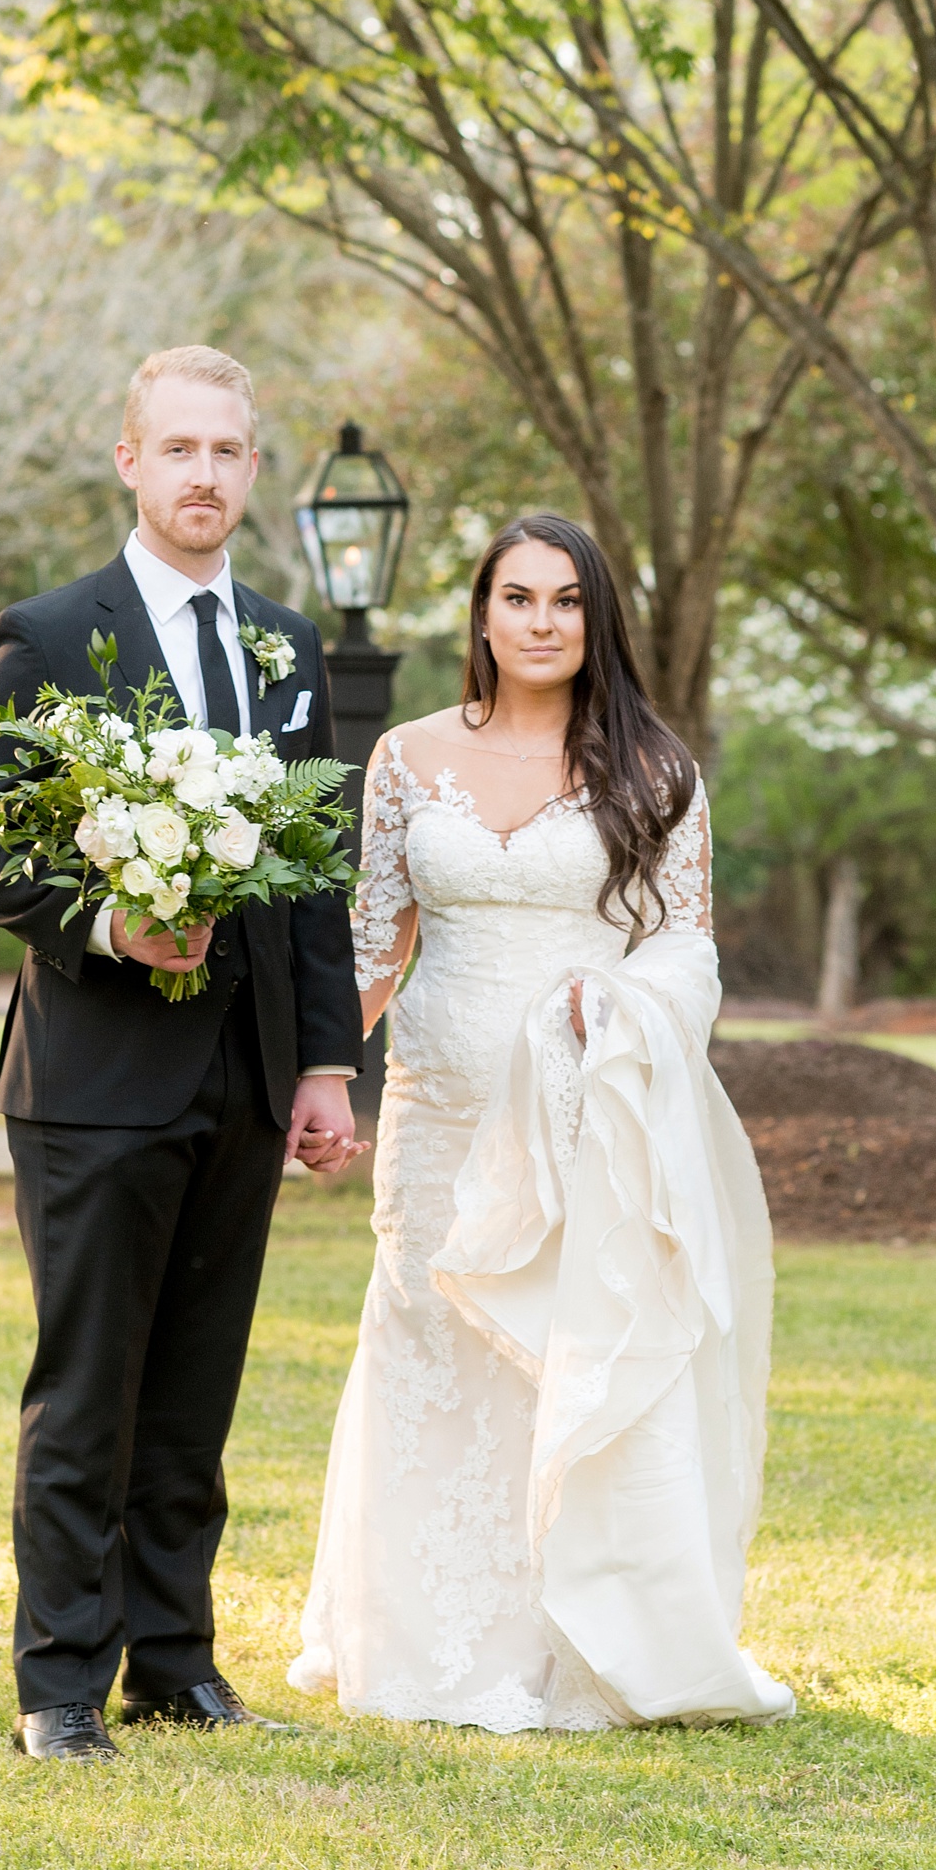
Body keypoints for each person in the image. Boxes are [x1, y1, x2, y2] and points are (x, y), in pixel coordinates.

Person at [289, 513, 794, 1731]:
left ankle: (579, 1643)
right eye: (518, 599)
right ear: (480, 614)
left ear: (594, 620)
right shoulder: (405, 760)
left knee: (560, 1357)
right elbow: (371, 942)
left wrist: (616, 1002)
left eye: (566, 602)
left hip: (582, 1117)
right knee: (429, 1349)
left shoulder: (654, 770)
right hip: (437, 1116)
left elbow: (684, 939)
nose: (540, 622)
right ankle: (414, 1644)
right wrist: (313, 1079)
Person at [0, 345, 365, 1761]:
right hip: (94, 1080)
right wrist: (114, 923)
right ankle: (60, 1679)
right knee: (88, 1387)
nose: (203, 473)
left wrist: (324, 1063)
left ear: (254, 467)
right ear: (129, 459)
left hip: (245, 1077)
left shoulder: (288, 647)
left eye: (228, 450)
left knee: (195, 1387)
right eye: (177, 447)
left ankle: (171, 1659)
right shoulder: (52, 630)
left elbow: (314, 873)